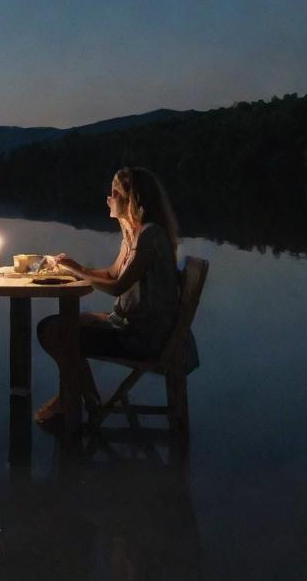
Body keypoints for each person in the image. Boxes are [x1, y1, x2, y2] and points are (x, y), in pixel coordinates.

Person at [34, 166, 185, 427]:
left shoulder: (150, 236)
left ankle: (73, 401)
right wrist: (76, 266)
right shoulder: (134, 235)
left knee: (57, 331)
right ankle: (82, 397)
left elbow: (117, 286)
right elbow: (111, 273)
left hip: (143, 338)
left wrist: (78, 275)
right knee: (51, 327)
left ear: (132, 199)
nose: (109, 198)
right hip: (130, 326)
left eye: (114, 193)